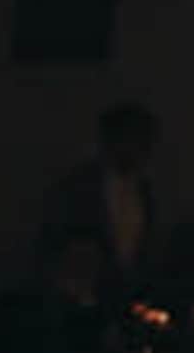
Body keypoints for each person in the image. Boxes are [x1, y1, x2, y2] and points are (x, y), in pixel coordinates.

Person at [41, 100, 162, 303]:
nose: (140, 147)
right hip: (81, 299)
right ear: (110, 140)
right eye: (131, 138)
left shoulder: (144, 191)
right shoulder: (79, 188)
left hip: (125, 297)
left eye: (144, 140)